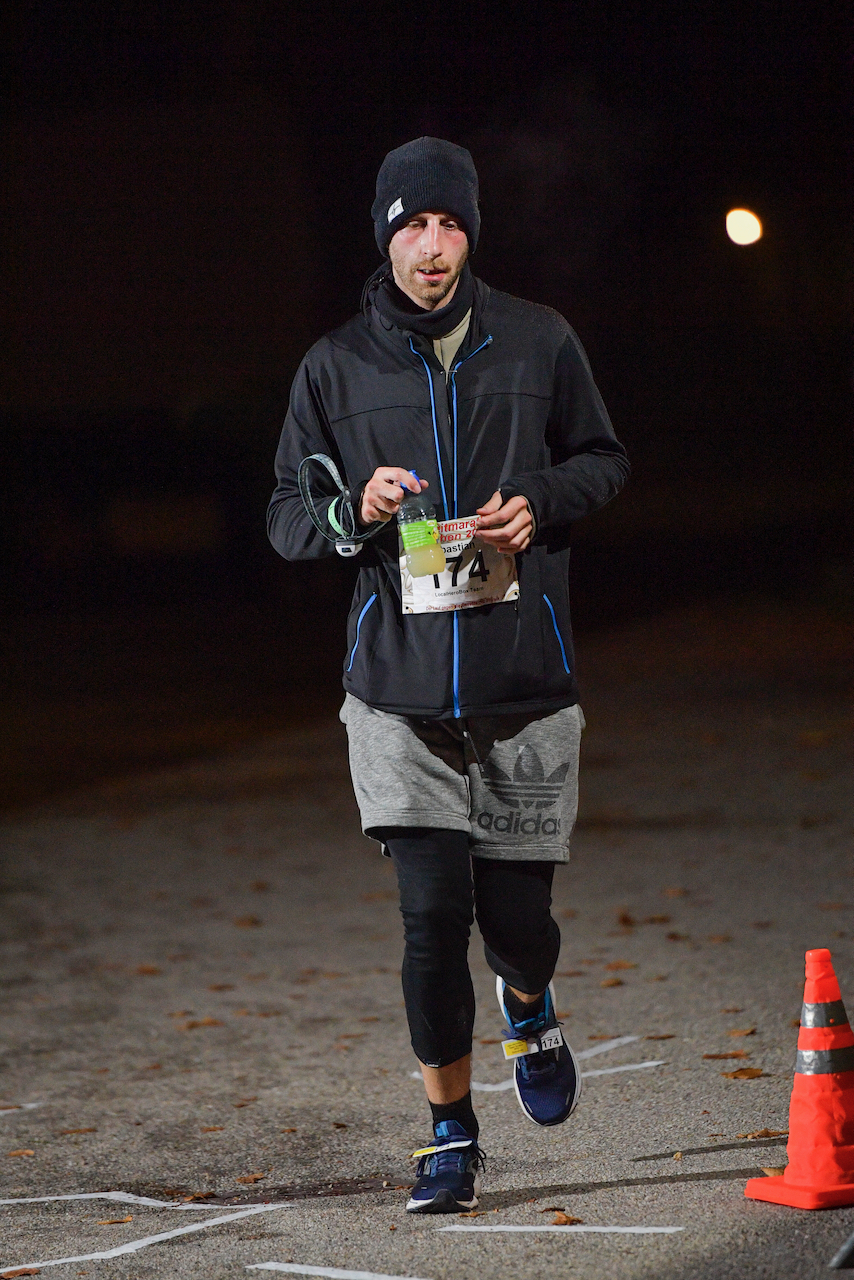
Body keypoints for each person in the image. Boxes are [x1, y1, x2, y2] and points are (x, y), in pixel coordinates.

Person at [268, 136, 629, 1213]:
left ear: (472, 231)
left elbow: (603, 459)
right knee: (430, 917)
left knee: (515, 923)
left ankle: (528, 998)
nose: (432, 246)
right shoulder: (334, 366)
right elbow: (287, 515)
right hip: (397, 693)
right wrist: (354, 513)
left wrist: (543, 498)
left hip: (522, 684)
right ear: (383, 234)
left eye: (450, 223)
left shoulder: (538, 340)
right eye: (411, 224)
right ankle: (447, 1129)